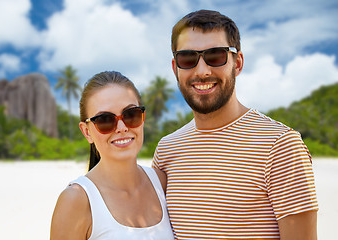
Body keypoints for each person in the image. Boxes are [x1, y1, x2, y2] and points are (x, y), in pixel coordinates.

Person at [153, 10, 319, 239]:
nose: (202, 71)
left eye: (215, 56)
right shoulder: (167, 150)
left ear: (237, 63)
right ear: (175, 68)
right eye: (188, 58)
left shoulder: (281, 146)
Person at [51, 71, 174, 239]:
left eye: (131, 114)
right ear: (87, 132)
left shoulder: (163, 183)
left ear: (143, 117)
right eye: (105, 120)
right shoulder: (76, 200)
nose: (122, 127)